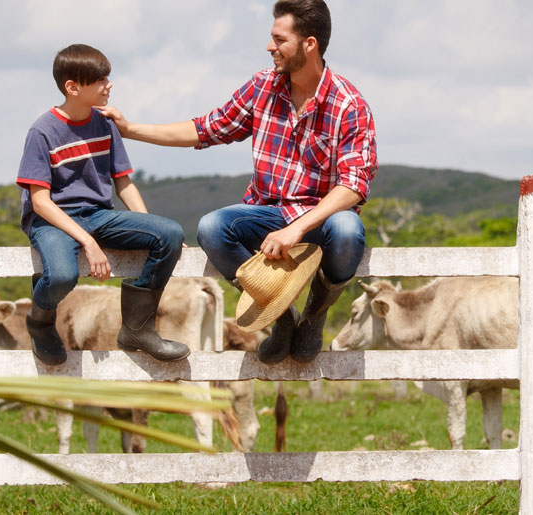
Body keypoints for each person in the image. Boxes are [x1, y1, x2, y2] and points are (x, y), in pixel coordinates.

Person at [98, 0, 376, 364]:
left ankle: (313, 315)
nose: (269, 46)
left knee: (347, 229)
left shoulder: (348, 104)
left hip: (320, 219)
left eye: (279, 39)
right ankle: (282, 315)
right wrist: (131, 129)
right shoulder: (263, 86)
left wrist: (297, 229)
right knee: (212, 227)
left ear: (309, 44)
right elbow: (207, 128)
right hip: (266, 214)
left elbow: (353, 185)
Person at [16, 43, 189, 366]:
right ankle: (39, 320)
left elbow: (122, 181)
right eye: (100, 80)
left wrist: (148, 226)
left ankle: (137, 328)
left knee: (168, 233)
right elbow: (40, 203)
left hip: (98, 214)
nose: (109, 85)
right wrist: (88, 243)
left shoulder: (105, 124)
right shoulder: (42, 132)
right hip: (53, 219)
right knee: (63, 276)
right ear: (73, 87)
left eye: (108, 78)